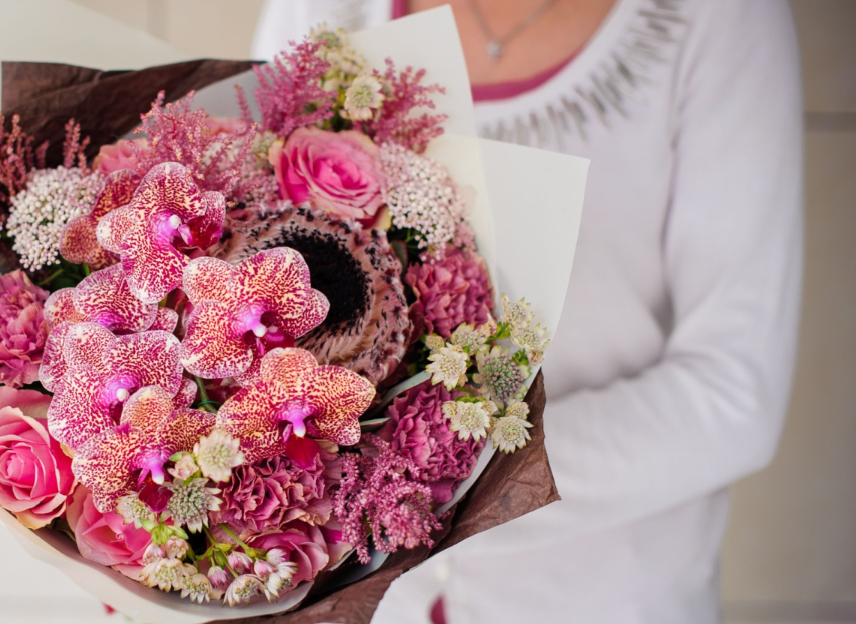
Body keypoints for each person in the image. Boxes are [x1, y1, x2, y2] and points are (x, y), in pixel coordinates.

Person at [252, 1, 804, 622]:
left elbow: (733, 395)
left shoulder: (719, 18)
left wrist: (438, 488)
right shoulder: (325, 11)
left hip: (598, 596)